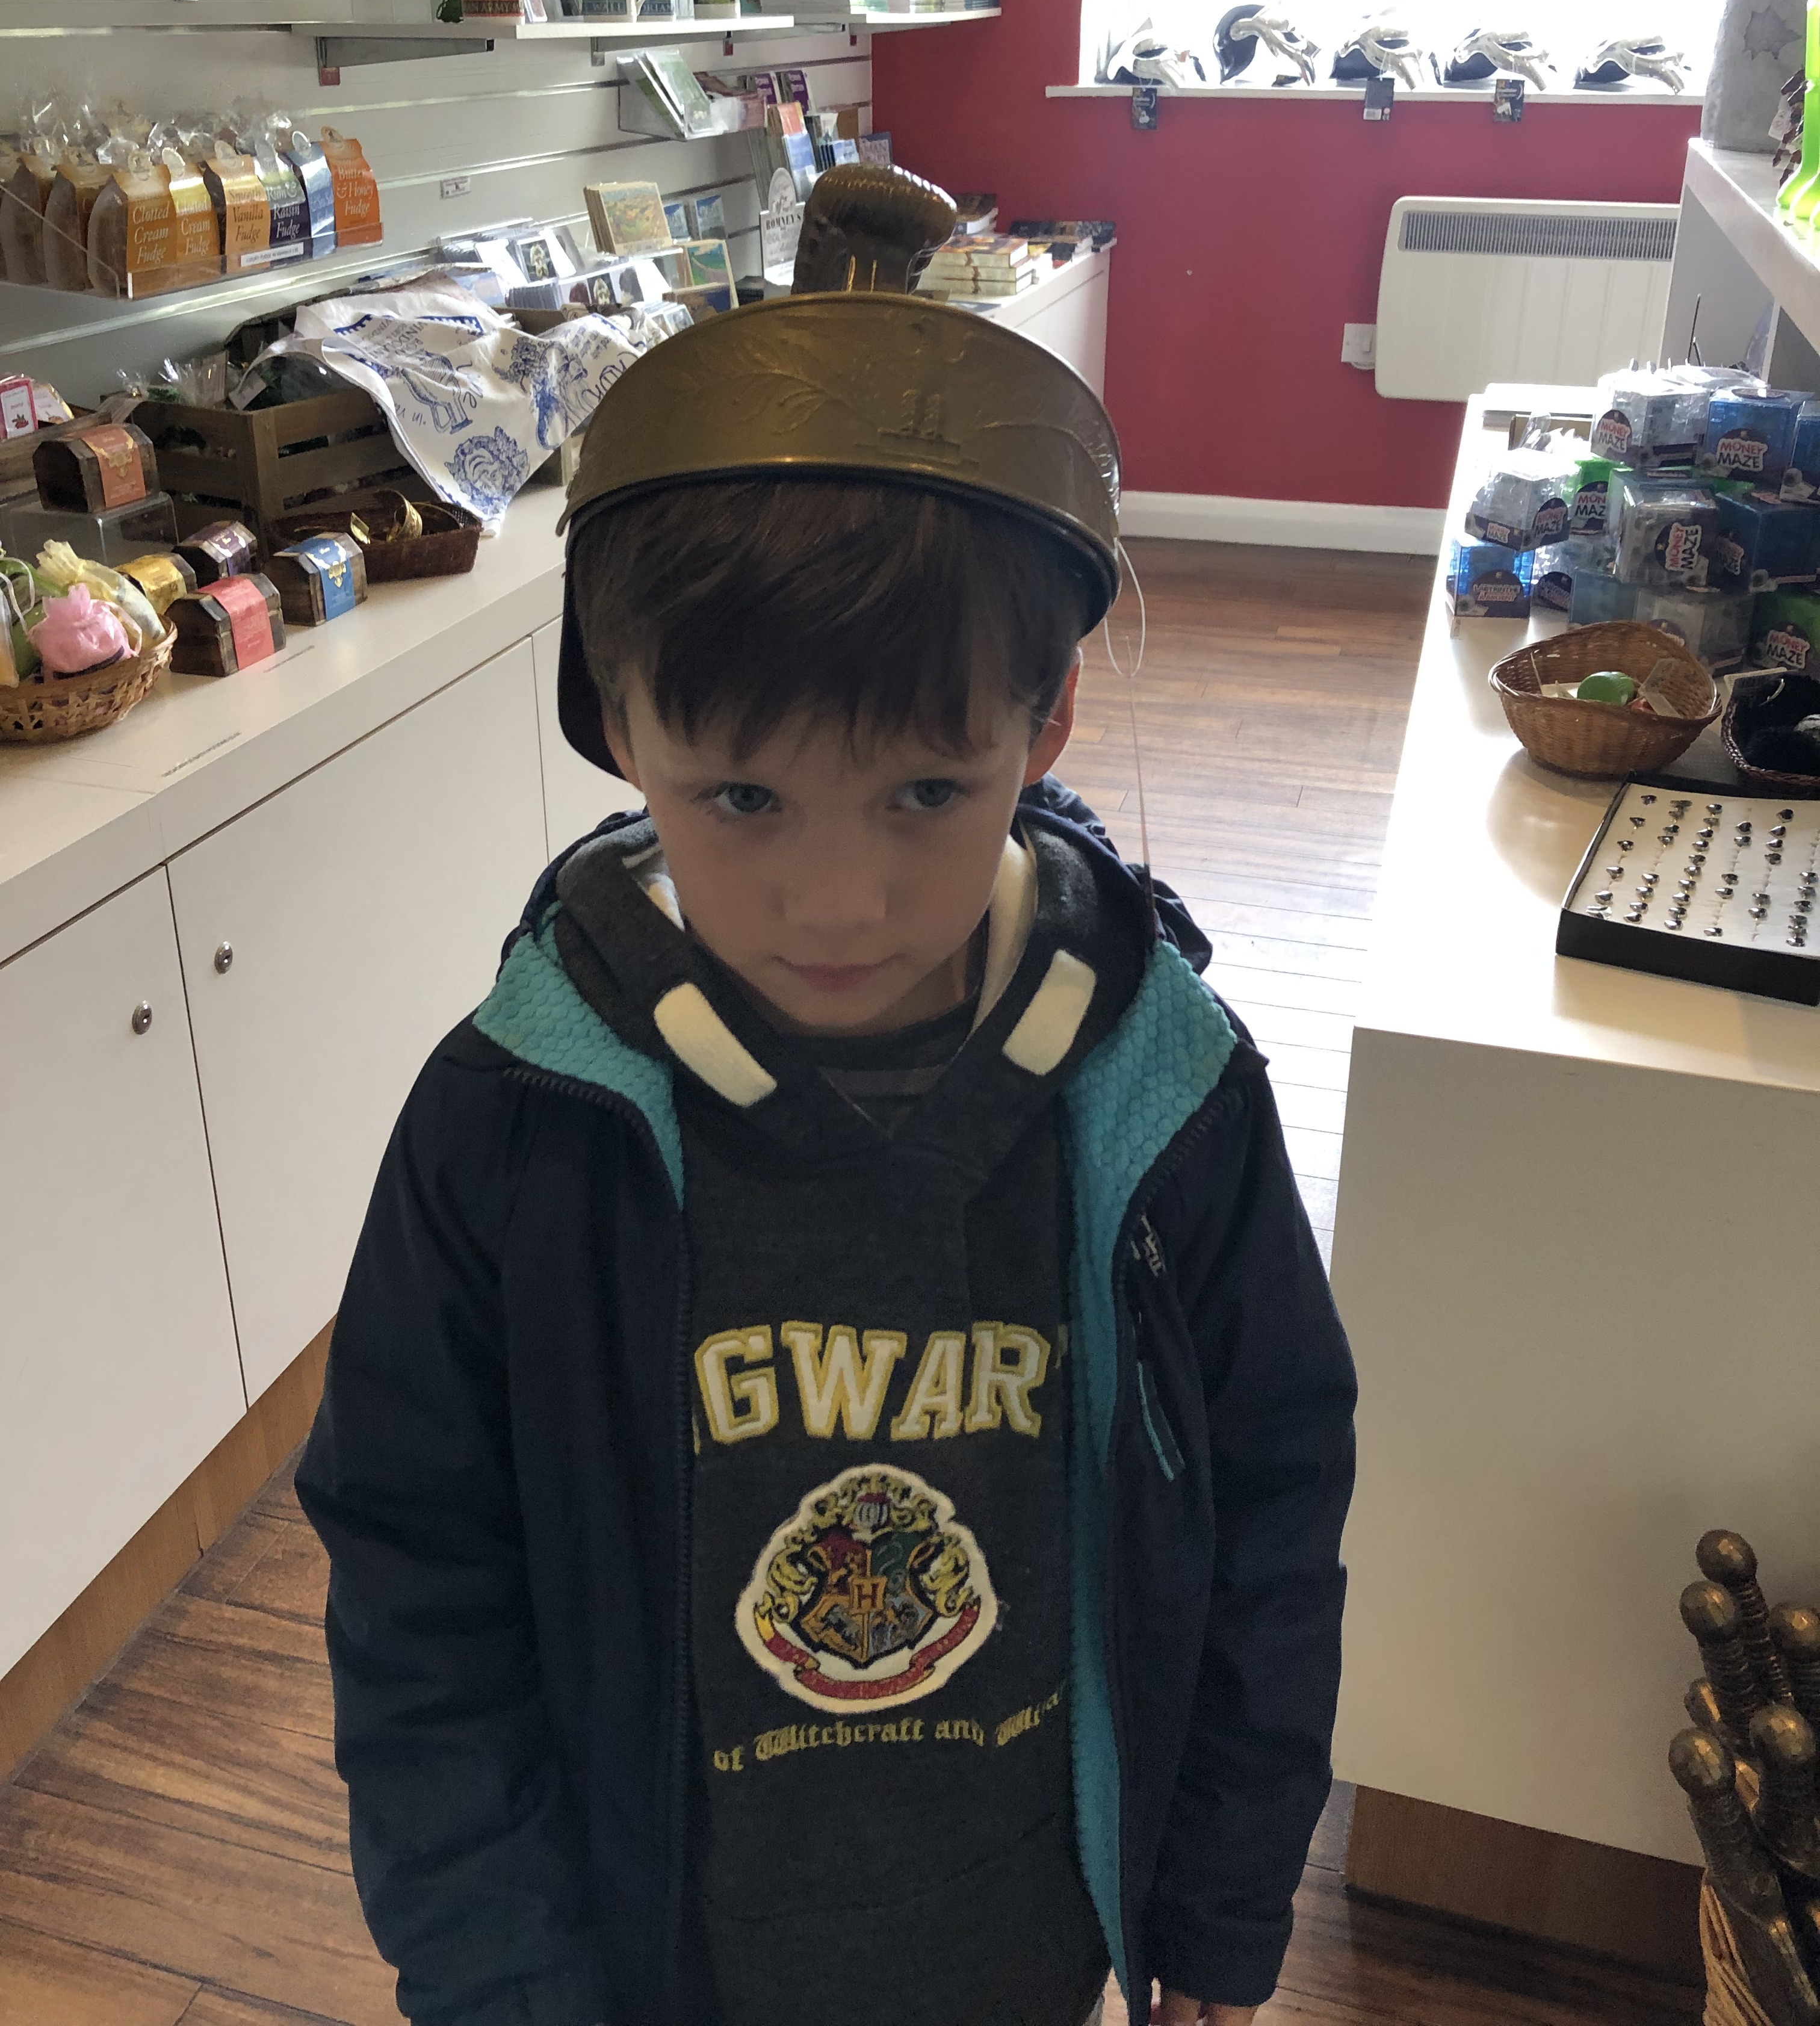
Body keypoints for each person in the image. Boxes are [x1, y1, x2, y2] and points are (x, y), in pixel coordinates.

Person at [296, 170, 1357, 2026]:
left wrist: (1220, 1895)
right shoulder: (520, 1125)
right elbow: (423, 1591)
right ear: (621, 727)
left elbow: (1271, 1502)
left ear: (1045, 720)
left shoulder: (1164, 1084)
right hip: (665, 1963)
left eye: (928, 792)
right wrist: (502, 1982)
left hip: (1034, 1934)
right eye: (744, 800)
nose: (841, 906)